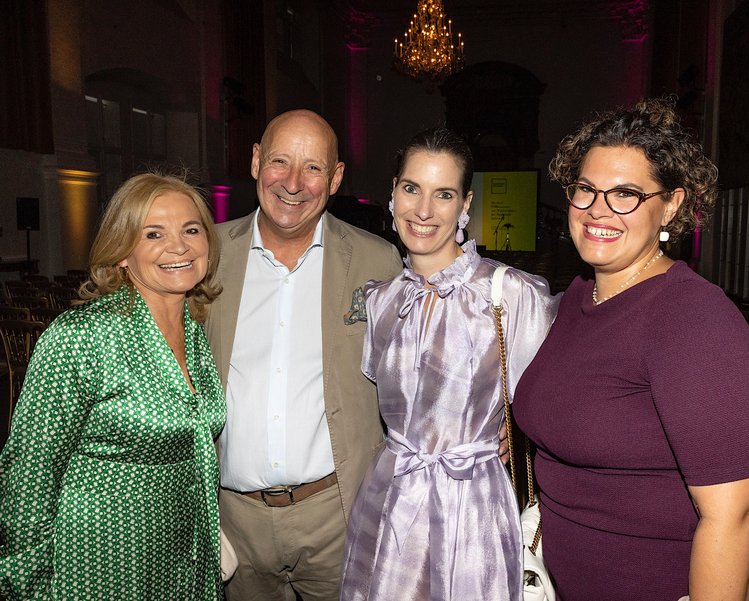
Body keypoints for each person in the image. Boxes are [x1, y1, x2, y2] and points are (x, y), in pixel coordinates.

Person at [513, 99, 749, 601]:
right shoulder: (577, 298)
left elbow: (736, 512)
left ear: (671, 205)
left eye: (625, 194)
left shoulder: (693, 317)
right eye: (585, 189)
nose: (598, 210)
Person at [340, 127, 558, 601]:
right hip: (390, 503)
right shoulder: (379, 302)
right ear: (392, 193)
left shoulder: (511, 295)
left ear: (465, 205)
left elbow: (554, 410)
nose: (423, 210)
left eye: (443, 194)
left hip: (473, 507)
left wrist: (514, 429)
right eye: (411, 188)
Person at [205, 109, 403, 601]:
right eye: (279, 161)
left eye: (313, 167)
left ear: (335, 178)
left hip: (336, 513)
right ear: (255, 162)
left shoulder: (378, 261)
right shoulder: (206, 257)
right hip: (234, 519)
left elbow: (411, 372)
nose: (293, 183)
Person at [0, 172, 226, 600]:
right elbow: (27, 477)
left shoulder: (194, 331)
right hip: (98, 568)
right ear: (122, 252)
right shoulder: (83, 336)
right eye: (153, 233)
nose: (178, 246)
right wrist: (26, 587)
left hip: (182, 562)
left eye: (191, 230)